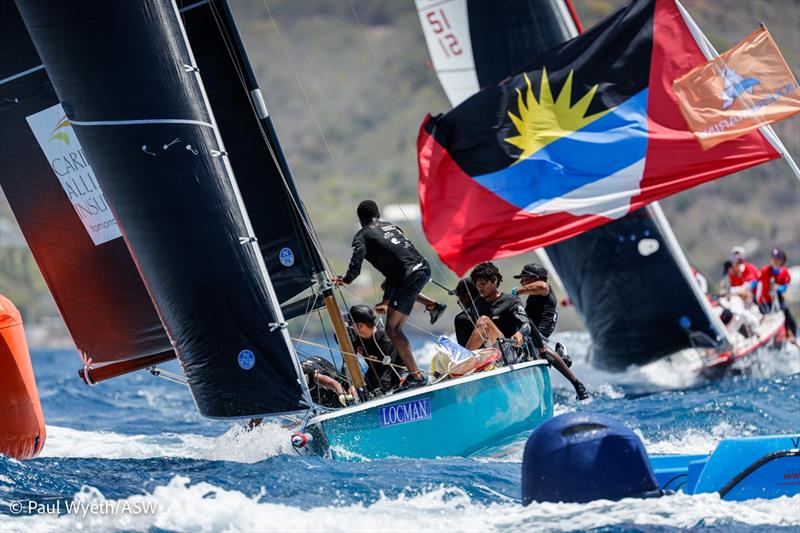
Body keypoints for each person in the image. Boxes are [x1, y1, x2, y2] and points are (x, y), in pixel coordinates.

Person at [334, 200, 445, 389]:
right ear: (377, 214)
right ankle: (433, 305)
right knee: (391, 284)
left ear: (361, 219)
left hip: (407, 276)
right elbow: (395, 270)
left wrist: (345, 279)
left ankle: (416, 376)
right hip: (422, 269)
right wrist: (386, 301)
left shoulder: (363, 235)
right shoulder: (391, 226)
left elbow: (355, 268)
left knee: (392, 331)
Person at [512, 263, 589, 401]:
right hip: (528, 329)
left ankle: (578, 385)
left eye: (525, 279)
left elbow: (541, 286)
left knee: (542, 351)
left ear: (536, 278)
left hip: (541, 330)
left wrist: (518, 291)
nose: (522, 282)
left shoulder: (545, 288)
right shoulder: (532, 296)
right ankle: (560, 357)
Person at [466, 262, 530, 351]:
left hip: (508, 350)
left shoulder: (511, 300)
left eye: (483, 283)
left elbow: (526, 324)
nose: (480, 287)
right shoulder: (476, 305)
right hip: (485, 353)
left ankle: (464, 357)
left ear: (494, 280)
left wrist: (520, 334)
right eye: (477, 285)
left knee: (484, 321)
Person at [347, 305, 400, 394]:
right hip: (374, 373)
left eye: (351, 323)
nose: (349, 326)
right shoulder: (356, 339)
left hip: (397, 374)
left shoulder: (385, 338)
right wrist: (351, 384)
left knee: (383, 384)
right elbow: (348, 363)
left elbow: (386, 374)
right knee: (352, 389)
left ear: (360, 325)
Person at [757, 248, 796, 342]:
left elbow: (785, 287)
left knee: (785, 311)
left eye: (777, 258)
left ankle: (792, 335)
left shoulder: (784, 272)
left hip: (776, 300)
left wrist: (777, 287)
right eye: (773, 258)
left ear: (781, 260)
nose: (774, 261)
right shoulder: (765, 271)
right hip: (764, 301)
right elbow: (756, 281)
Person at [453, 278, 485, 347]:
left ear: (467, 297)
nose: (458, 302)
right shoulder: (495, 307)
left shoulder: (461, 319)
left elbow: (466, 353)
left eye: (459, 297)